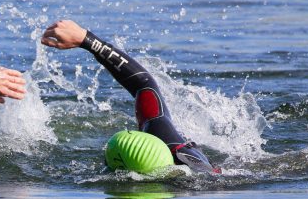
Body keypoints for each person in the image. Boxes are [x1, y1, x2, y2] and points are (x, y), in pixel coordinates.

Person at [41, 19, 219, 173]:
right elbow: (145, 83)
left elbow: (144, 84)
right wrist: (86, 39)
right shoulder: (170, 144)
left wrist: (87, 40)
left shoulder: (183, 159)